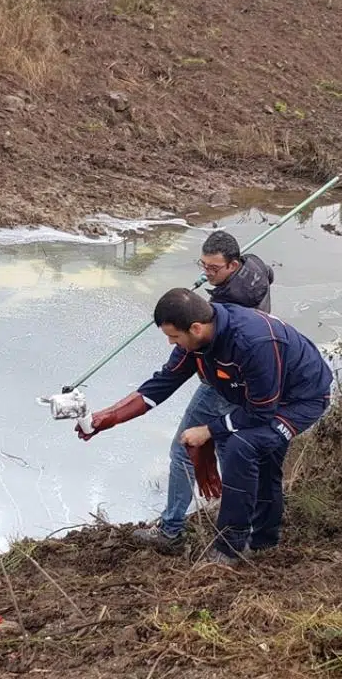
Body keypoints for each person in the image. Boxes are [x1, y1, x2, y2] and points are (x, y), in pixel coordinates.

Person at [77, 288, 333, 565]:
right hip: (249, 393)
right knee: (258, 459)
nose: (171, 343)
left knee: (242, 447)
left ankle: (231, 546)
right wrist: (108, 418)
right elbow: (162, 383)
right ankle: (264, 541)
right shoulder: (196, 342)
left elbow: (261, 411)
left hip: (299, 399)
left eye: (174, 337)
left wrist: (210, 431)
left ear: (196, 328)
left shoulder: (252, 342)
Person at [121, 230, 277, 554]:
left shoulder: (228, 308)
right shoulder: (256, 267)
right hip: (238, 378)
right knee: (223, 451)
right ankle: (234, 523)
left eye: (213, 268)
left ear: (233, 265)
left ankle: (178, 531)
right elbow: (267, 273)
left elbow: (185, 359)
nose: (206, 272)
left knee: (191, 452)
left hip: (226, 385)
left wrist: (189, 308)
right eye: (203, 265)